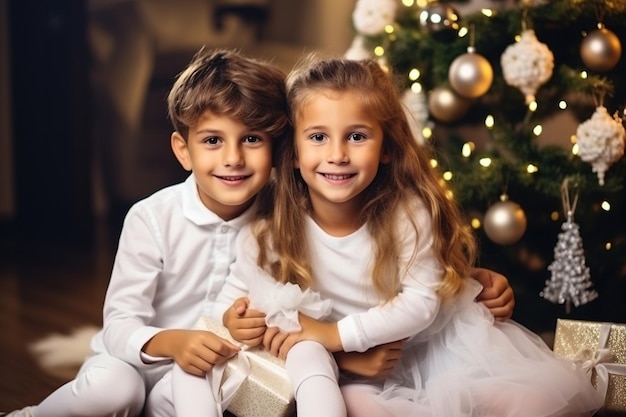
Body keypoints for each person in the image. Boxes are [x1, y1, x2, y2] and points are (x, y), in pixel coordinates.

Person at [2, 48, 513, 417]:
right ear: (183, 150)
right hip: (145, 359)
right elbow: (117, 325)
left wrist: (470, 280)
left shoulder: (285, 209)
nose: (232, 159)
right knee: (114, 394)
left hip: (226, 372)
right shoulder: (151, 217)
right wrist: (174, 340)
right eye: (213, 141)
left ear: (279, 148)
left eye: (252, 139)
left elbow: (362, 250)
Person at [211, 56, 604, 417]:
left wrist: (334, 335)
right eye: (317, 137)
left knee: (525, 400)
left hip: (432, 347)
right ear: (293, 152)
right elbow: (244, 301)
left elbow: (420, 303)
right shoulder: (271, 230)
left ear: (386, 147)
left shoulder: (406, 212)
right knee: (355, 406)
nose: (337, 155)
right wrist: (234, 318)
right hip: (356, 367)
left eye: (357, 136)